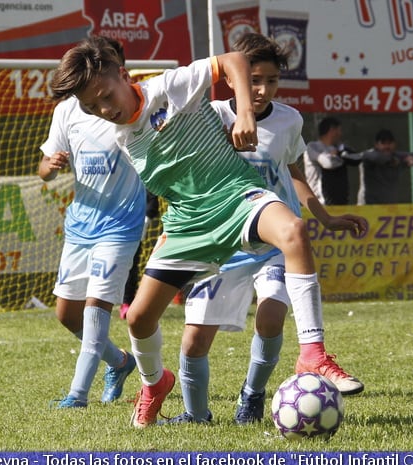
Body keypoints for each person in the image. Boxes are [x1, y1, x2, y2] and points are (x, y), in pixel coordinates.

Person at [49, 36, 365, 428]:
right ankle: (155, 382)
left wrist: (246, 111)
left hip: (235, 197)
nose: (104, 109)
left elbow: (232, 59)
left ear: (124, 76)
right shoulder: (120, 135)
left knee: (295, 232)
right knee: (139, 320)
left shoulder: (167, 87)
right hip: (188, 223)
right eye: (91, 106)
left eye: (105, 96)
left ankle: (312, 353)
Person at [163, 33, 366, 425]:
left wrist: (325, 218)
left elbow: (293, 174)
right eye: (253, 79)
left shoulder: (290, 119)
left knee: (270, 317)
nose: (261, 89)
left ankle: (252, 395)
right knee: (193, 340)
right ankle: (195, 414)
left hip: (274, 243)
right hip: (223, 242)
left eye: (271, 81)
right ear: (233, 79)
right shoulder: (211, 116)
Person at [38, 36, 142, 409]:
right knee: (67, 315)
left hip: (121, 225)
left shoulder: (133, 108)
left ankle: (77, 395)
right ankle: (120, 362)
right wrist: (49, 167)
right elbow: (44, 168)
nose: (101, 105)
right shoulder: (67, 112)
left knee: (96, 309)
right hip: (81, 225)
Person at [352, 129, 413, 205]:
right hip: (368, 205)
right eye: (383, 143)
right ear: (376, 145)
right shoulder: (369, 155)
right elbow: (374, 158)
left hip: (389, 207)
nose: (387, 146)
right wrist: (391, 161)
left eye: (390, 143)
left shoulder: (397, 156)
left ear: (394, 144)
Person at [120, 190, 160, 320]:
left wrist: (146, 219)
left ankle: (127, 302)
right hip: (116, 226)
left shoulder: (144, 181)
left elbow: (153, 202)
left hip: (136, 229)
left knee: (132, 265)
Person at [303, 117, 359, 205]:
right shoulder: (313, 147)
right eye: (339, 130)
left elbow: (357, 158)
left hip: (340, 202)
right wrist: (339, 156)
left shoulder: (339, 148)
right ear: (332, 130)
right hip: (320, 202)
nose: (341, 134)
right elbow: (328, 163)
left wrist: (339, 153)